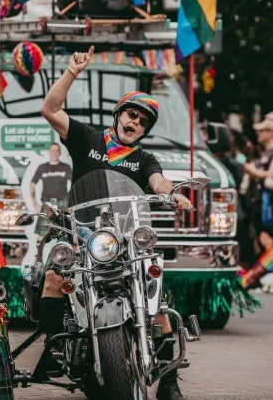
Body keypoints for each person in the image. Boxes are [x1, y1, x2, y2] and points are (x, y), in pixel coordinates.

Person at [38, 46, 192, 400]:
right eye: (131, 115)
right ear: (118, 115)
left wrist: (172, 194)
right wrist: (72, 72)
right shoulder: (87, 139)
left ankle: (168, 381)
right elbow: (49, 109)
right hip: (85, 235)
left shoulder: (144, 159)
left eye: (142, 122)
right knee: (51, 278)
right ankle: (53, 348)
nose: (135, 123)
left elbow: (158, 182)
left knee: (157, 303)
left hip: (124, 240)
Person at [30, 142, 72, 262]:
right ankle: (38, 259)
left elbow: (73, 184)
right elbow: (32, 184)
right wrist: (34, 202)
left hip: (61, 204)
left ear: (60, 153)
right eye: (52, 150)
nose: (54, 153)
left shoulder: (66, 167)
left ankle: (64, 258)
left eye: (57, 151)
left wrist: (70, 203)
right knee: (42, 233)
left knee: (64, 231)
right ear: (49, 152)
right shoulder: (42, 167)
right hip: (47, 204)